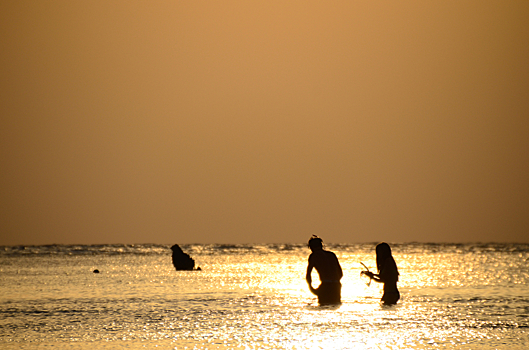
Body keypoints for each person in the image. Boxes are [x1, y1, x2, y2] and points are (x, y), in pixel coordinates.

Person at [306, 235, 343, 305]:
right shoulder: (332, 255)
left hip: (325, 286)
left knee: (323, 306)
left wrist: (311, 288)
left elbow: (308, 274)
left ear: (311, 247)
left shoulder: (313, 256)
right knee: (335, 305)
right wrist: (334, 282)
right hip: (336, 285)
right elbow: (340, 273)